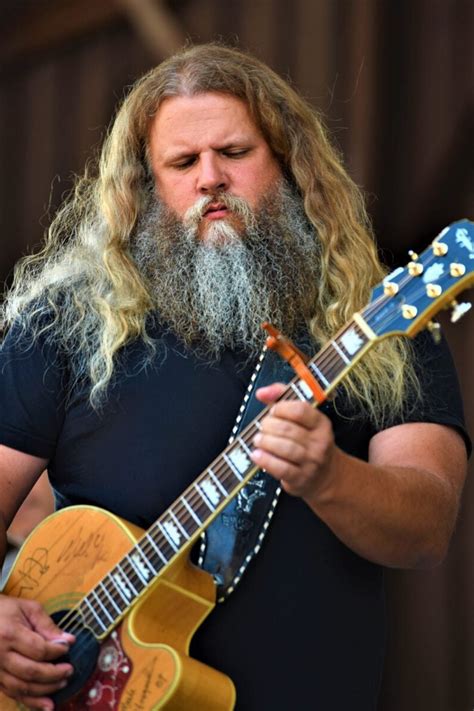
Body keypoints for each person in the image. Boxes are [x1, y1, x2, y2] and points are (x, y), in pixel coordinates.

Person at [0, 43, 469, 711]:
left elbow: (427, 526)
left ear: (286, 163)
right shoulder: (66, 326)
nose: (210, 177)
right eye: (183, 162)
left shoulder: (376, 320)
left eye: (236, 153)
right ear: (148, 185)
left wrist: (330, 477)